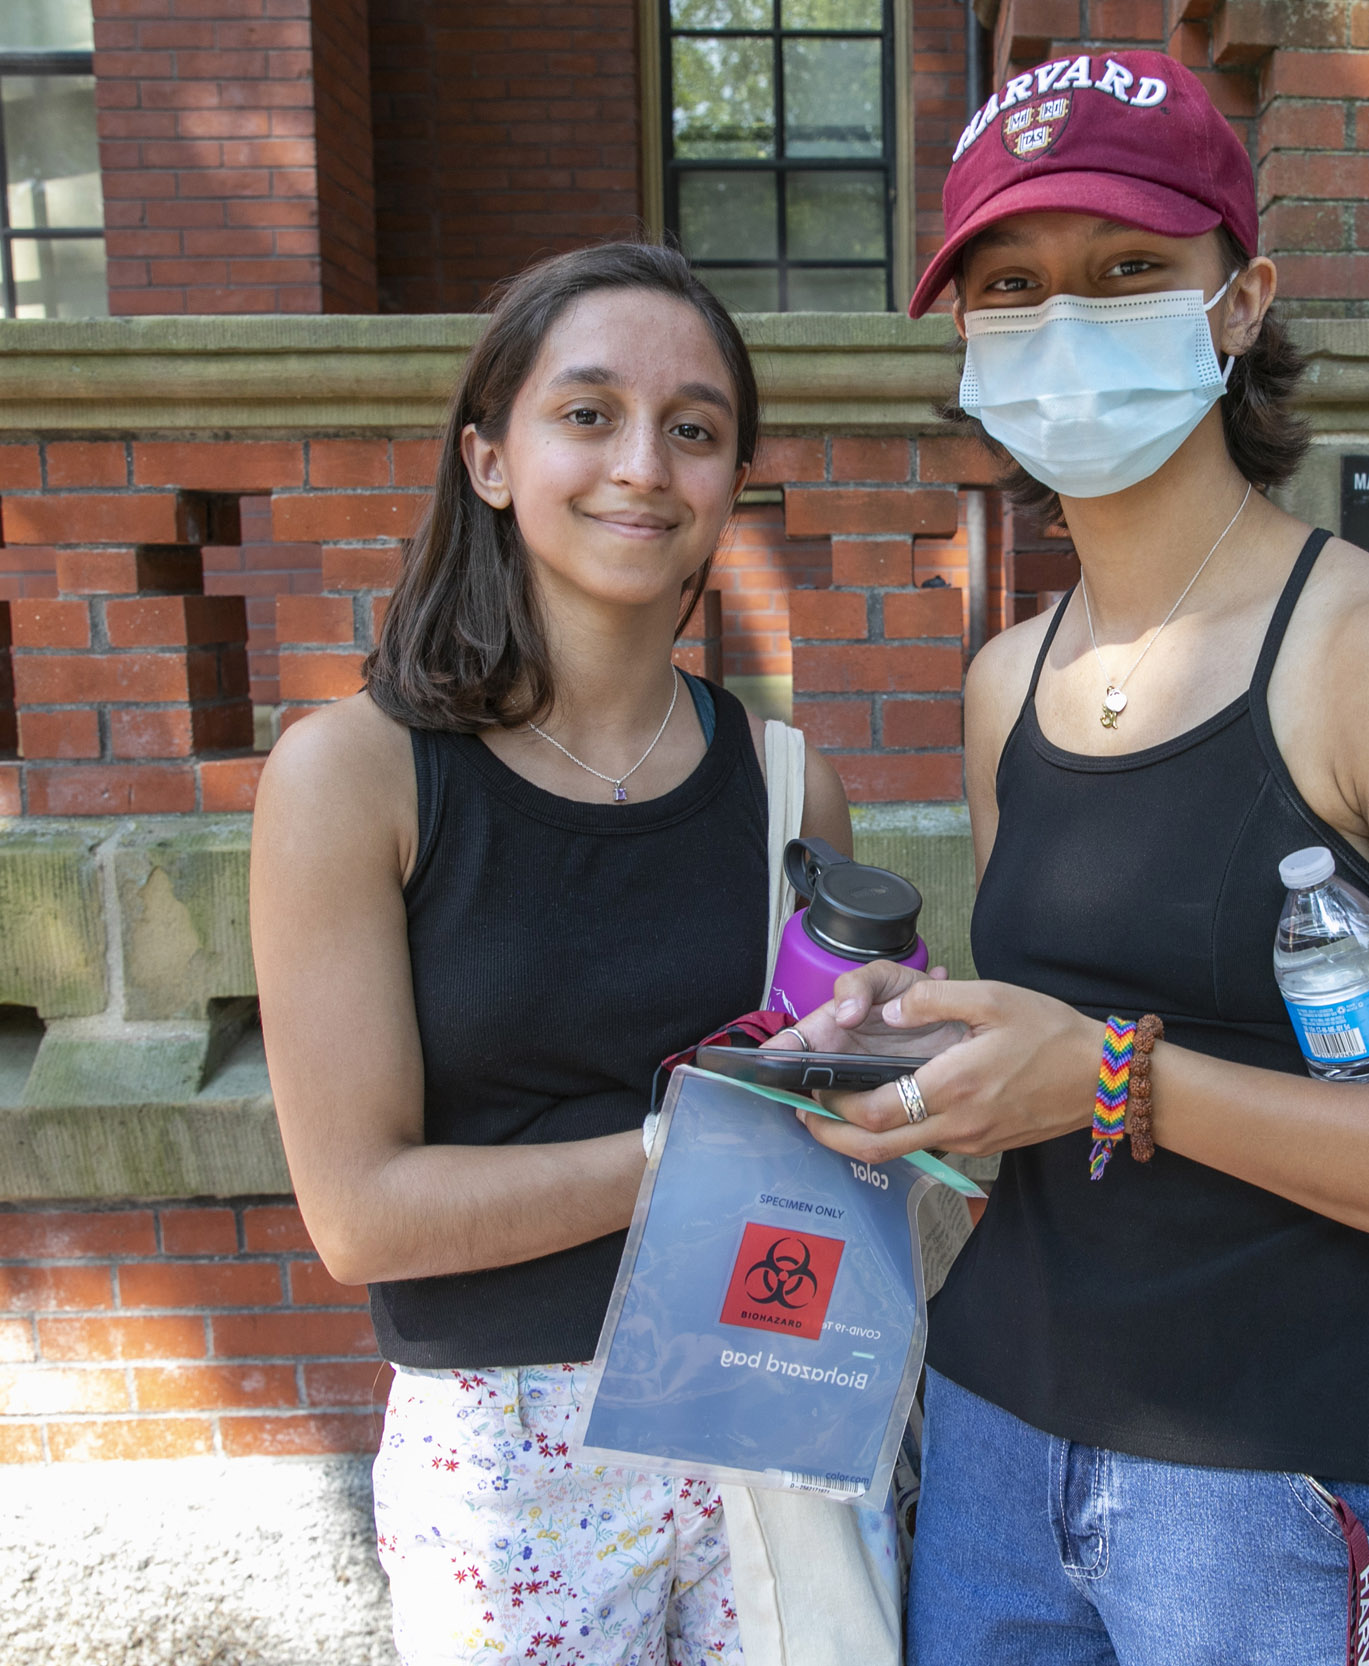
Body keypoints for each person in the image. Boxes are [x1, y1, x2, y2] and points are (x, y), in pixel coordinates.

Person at [789, 50, 1369, 1666]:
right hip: (996, 1433)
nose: (1064, 325)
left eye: (1127, 273)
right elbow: (1047, 1061)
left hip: (1271, 1463)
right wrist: (928, 1050)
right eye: (1013, 288)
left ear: (1239, 304)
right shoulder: (1003, 679)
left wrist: (1121, 1079)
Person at [250, 241, 849, 1666]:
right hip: (505, 1456)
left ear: (727, 489)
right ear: (490, 458)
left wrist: (886, 1078)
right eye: (588, 413)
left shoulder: (787, 788)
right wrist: (683, 1153)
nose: (643, 462)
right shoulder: (357, 778)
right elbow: (361, 1215)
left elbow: (831, 1113)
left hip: (765, 1387)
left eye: (693, 429)